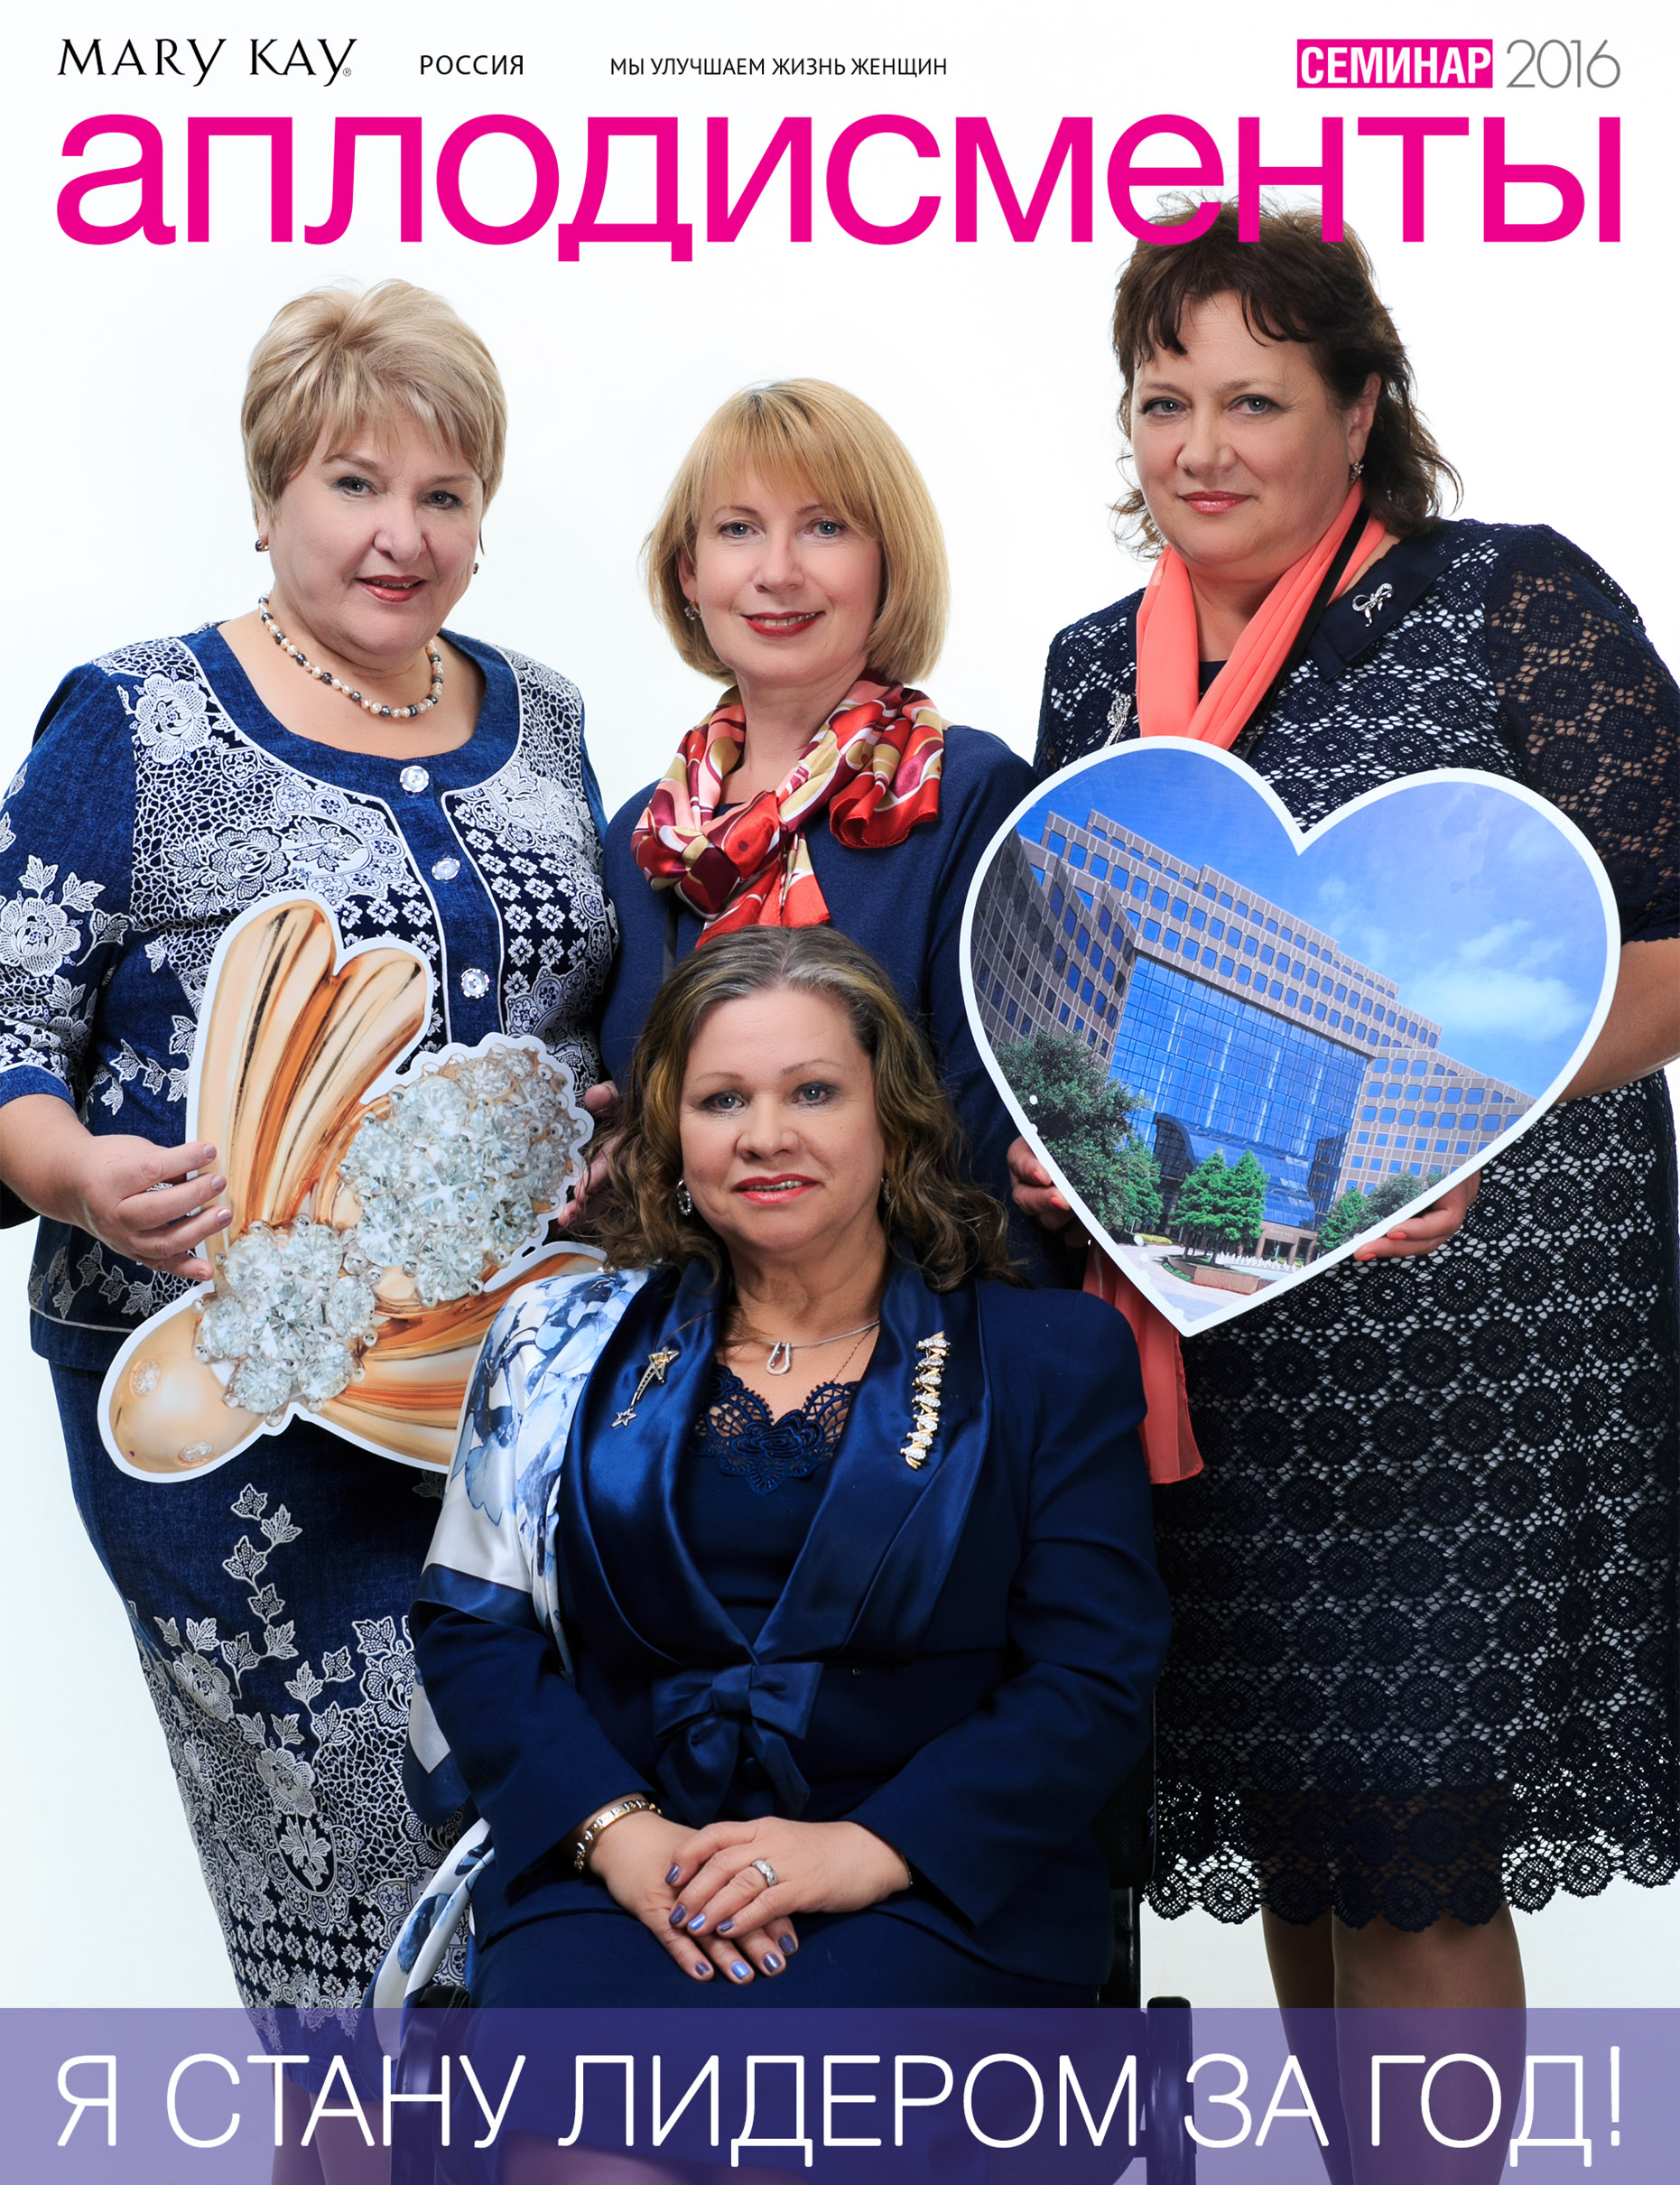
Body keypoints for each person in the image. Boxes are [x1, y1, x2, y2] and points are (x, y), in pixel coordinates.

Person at [1016, 200, 1680, 2052]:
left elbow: (1669, 951)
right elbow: (1073, 984)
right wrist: (1058, 1130)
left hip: (1460, 1353)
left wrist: (1442, 1115)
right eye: (1163, 403)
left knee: (1412, 1848)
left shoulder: (1508, 604)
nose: (1201, 449)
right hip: (1213, 1338)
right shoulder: (1092, 667)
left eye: (1255, 401)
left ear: (1360, 407)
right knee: (1308, 1843)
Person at [0, 280, 612, 2164]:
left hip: (504, 1402)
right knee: (353, 1922)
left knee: (541, 1887)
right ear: (269, 493)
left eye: (444, 493)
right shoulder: (136, 717)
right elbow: (9, 1032)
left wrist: (601, 1127)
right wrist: (73, 1171)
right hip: (223, 1415)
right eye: (355, 483)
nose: (399, 534)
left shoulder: (547, 719)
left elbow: (586, 1015)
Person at [410, 924, 1168, 2045]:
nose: (766, 1134)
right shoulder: (556, 1339)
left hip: (937, 1878)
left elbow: (1093, 1674)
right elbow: (473, 1628)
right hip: (623, 1870)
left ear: (890, 1116)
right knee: (572, 2127)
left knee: (804, 2116)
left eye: (813, 1090)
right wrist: (618, 1833)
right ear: (672, 1134)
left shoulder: (1050, 1356)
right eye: (721, 1100)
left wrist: (863, 1850)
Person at [592, 379, 1037, 1241]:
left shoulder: (966, 795)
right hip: (681, 1313)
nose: (777, 571)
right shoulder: (640, 839)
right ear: (690, 573)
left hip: (918, 1311)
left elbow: (993, 1163)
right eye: (738, 529)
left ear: (887, 564)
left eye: (824, 527)